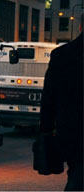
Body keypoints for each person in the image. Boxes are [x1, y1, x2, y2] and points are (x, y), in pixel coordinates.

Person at [39, 32, 83, 191]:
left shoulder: (61, 55)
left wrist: (46, 131)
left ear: (80, 26)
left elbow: (48, 98)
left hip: (71, 134)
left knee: (77, 172)